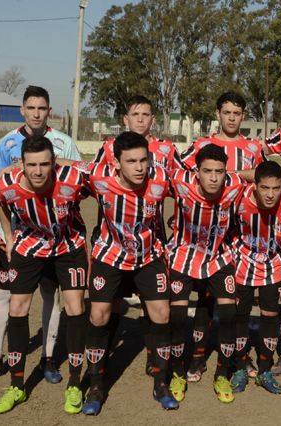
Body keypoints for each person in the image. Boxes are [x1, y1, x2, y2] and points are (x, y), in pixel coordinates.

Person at [0, 85, 82, 387]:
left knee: (49, 295)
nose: (36, 113)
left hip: (56, 237)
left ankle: (47, 358)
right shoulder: (7, 143)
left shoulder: (64, 142)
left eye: (41, 108)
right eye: (30, 108)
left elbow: (78, 180)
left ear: (49, 111)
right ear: (22, 110)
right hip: (20, 236)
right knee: (4, 295)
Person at [71, 132, 178, 414]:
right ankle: (96, 384)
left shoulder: (161, 178)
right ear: (116, 163)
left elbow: (198, 182)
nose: (140, 167)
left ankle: (160, 381)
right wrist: (13, 167)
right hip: (110, 256)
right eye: (131, 161)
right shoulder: (97, 176)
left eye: (144, 160)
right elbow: (61, 167)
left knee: (162, 314)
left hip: (149, 256)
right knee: (98, 315)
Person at [0, 136, 89, 414]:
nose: (38, 171)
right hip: (29, 245)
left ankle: (74, 383)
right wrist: (8, 236)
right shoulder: (6, 183)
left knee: (75, 306)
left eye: (45, 164)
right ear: (21, 163)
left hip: (69, 246)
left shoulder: (72, 179)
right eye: (31, 164)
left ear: (54, 162)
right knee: (18, 306)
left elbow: (104, 188)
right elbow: (0, 202)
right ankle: (17, 386)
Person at [89, 94, 184, 379]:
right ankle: (102, 355)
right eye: (135, 114)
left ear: (153, 119)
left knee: (150, 302)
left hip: (150, 241)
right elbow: (90, 179)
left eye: (146, 115)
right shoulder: (108, 148)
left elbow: (185, 184)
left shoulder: (166, 150)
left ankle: (153, 355)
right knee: (111, 301)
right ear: (126, 119)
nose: (141, 119)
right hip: (114, 239)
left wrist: (177, 218)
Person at [179, 92, 267, 383]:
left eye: (237, 113)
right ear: (218, 114)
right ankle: (197, 359)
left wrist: (233, 175)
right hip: (207, 236)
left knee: (236, 305)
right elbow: (184, 177)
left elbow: (263, 175)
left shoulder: (253, 147)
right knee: (204, 301)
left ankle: (238, 358)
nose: (232, 117)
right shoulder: (202, 145)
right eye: (226, 112)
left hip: (241, 238)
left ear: (243, 116)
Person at [166, 144, 246, 404]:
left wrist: (237, 172)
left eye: (219, 171)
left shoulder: (233, 183)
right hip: (183, 256)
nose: (213, 177)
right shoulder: (180, 181)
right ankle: (177, 372)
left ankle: (222, 373)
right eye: (207, 171)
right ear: (196, 172)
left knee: (229, 313)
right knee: (176, 317)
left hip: (218, 258)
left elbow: (260, 174)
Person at [229, 161, 281, 395]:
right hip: (242, 265)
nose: (270, 195)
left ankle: (264, 370)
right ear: (255, 185)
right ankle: (239, 365)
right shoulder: (238, 199)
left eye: (276, 188)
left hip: (275, 267)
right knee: (240, 315)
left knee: (271, 316)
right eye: (264, 188)